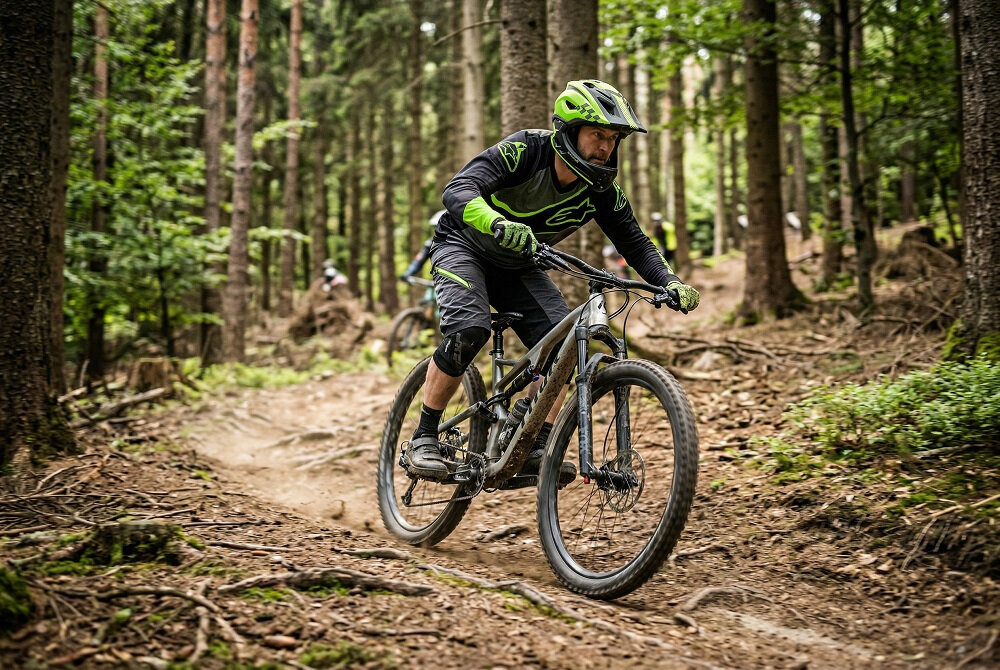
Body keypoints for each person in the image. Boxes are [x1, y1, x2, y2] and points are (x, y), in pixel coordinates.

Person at [403, 79, 700, 483]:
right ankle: (423, 436)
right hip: (464, 246)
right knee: (470, 330)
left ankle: (531, 439)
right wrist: (495, 222)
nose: (606, 147)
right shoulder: (526, 151)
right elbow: (458, 189)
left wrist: (668, 280)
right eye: (598, 134)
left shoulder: (601, 191)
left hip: (520, 265)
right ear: (569, 131)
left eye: (613, 139)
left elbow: (635, 241)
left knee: (563, 345)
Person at [399, 210, 444, 284]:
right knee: (428, 295)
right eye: (435, 227)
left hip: (458, 284)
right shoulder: (430, 244)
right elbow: (419, 260)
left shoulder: (461, 243)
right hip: (437, 281)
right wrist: (408, 273)